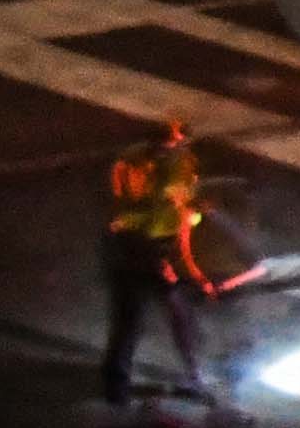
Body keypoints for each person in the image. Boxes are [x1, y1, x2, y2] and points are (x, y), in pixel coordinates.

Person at [97, 122, 227, 410]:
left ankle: (193, 375)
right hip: (131, 246)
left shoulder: (183, 162)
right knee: (129, 318)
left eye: (180, 144)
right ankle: (116, 386)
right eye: (171, 144)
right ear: (154, 145)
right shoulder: (131, 166)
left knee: (180, 313)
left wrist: (191, 212)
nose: (177, 149)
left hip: (161, 246)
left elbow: (183, 211)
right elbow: (126, 214)